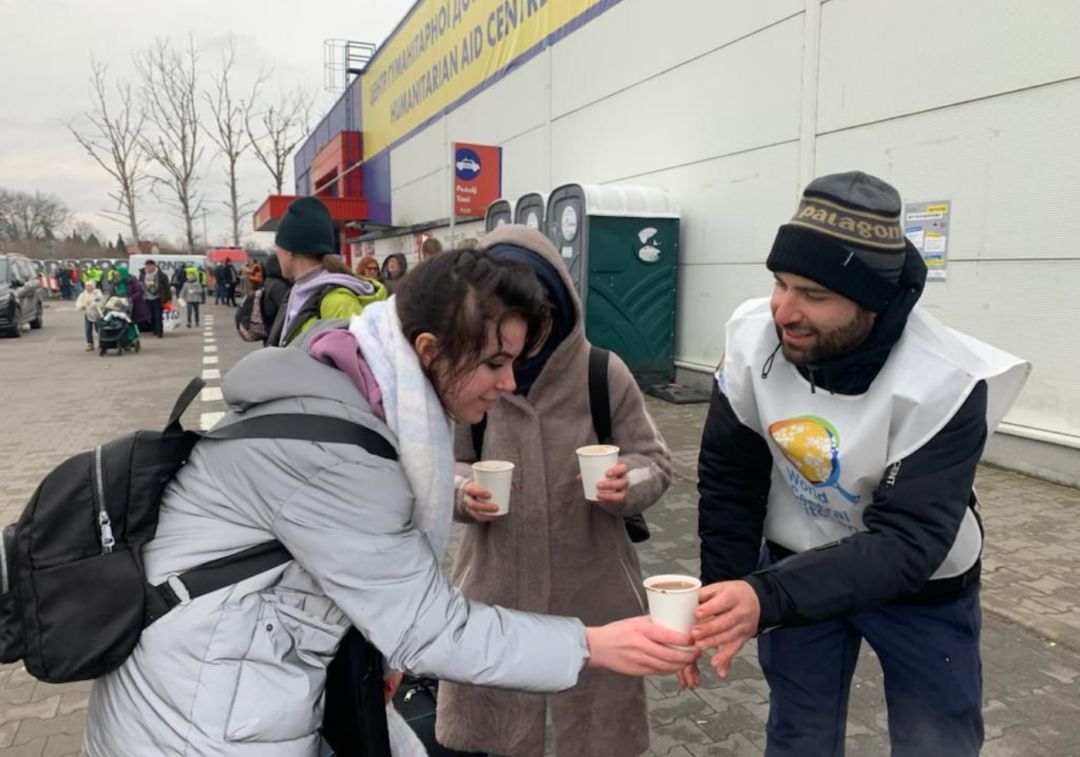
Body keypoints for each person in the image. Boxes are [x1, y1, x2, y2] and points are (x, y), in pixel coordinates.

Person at [82, 248, 697, 757]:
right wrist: (591, 645)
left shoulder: (354, 397)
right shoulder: (340, 454)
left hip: (221, 682)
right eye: (495, 363)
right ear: (428, 350)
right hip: (198, 718)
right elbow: (427, 628)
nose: (509, 384)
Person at [685, 172, 1030, 757]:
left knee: (935, 743)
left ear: (870, 302)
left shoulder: (946, 379)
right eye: (779, 283)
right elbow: (730, 475)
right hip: (797, 565)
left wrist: (762, 599)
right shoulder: (751, 338)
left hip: (923, 587)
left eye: (814, 295)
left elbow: (906, 541)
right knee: (799, 736)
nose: (783, 311)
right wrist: (724, 600)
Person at [436, 225, 673, 757]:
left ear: (559, 305)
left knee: (593, 726)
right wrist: (462, 490)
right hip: (498, 588)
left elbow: (655, 460)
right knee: (498, 719)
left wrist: (624, 482)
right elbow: (442, 465)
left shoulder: (601, 372)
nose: (520, 338)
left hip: (594, 590)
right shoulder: (471, 372)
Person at [266, 197, 387, 347]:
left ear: (291, 251)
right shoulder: (298, 291)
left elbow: (353, 363)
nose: (276, 252)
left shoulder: (338, 302)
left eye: (278, 246)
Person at [258, 254, 291, 347]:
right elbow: (288, 309)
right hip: (277, 332)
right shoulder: (278, 286)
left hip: (269, 329)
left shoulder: (268, 281)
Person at [139, 259, 172, 338]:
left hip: (158, 298)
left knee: (158, 316)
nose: (148, 268)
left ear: (154, 266)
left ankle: (159, 332)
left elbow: (166, 287)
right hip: (147, 298)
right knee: (151, 316)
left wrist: (168, 298)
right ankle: (154, 329)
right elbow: (140, 285)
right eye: (147, 266)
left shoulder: (161, 275)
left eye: (150, 266)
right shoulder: (143, 275)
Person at [75, 280, 104, 351]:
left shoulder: (97, 293)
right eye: (87, 286)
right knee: (88, 329)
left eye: (90, 286)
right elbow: (78, 302)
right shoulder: (83, 294)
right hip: (88, 313)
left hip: (97, 314)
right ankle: (90, 344)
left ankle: (102, 342)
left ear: (93, 287)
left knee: (99, 329)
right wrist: (82, 306)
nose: (88, 288)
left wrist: (95, 304)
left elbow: (101, 302)